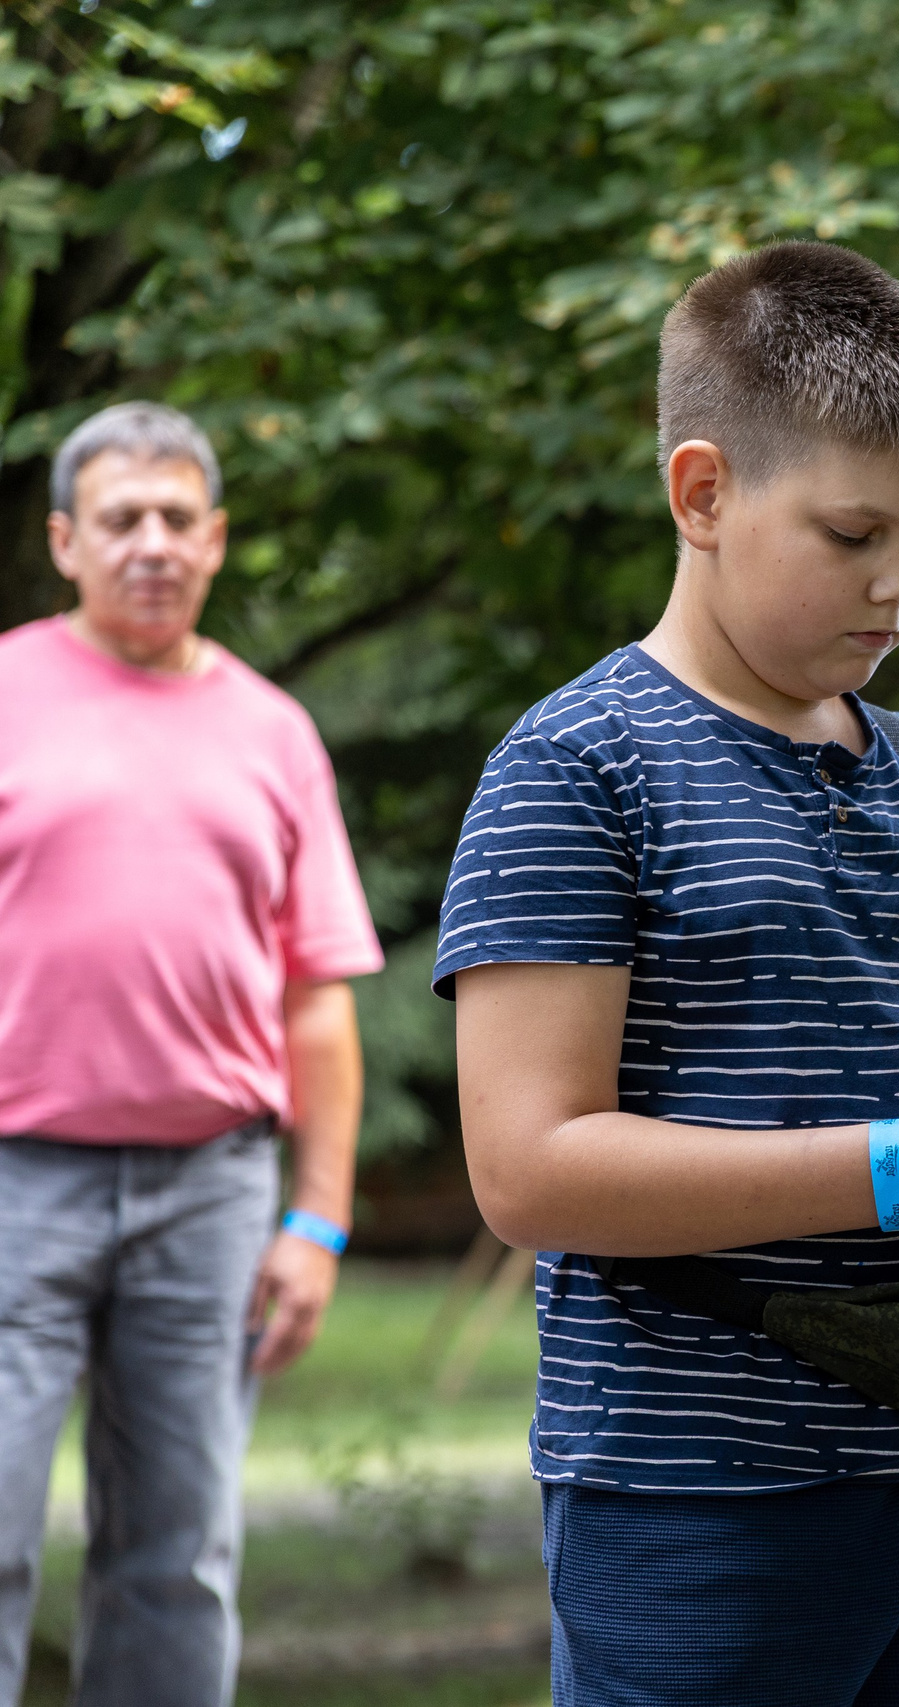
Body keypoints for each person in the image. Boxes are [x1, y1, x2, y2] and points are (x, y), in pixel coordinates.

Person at [436, 241, 899, 1707]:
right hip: (695, 1495)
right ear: (702, 494)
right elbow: (527, 1171)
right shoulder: (575, 769)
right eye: (853, 534)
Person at [0, 402, 381, 1705]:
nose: (152, 543)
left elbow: (317, 998)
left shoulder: (273, 732)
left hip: (211, 1193)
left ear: (216, 540)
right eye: (123, 519)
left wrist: (316, 1220)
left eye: (177, 518)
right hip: (14, 1178)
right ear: (66, 540)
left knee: (179, 1558)